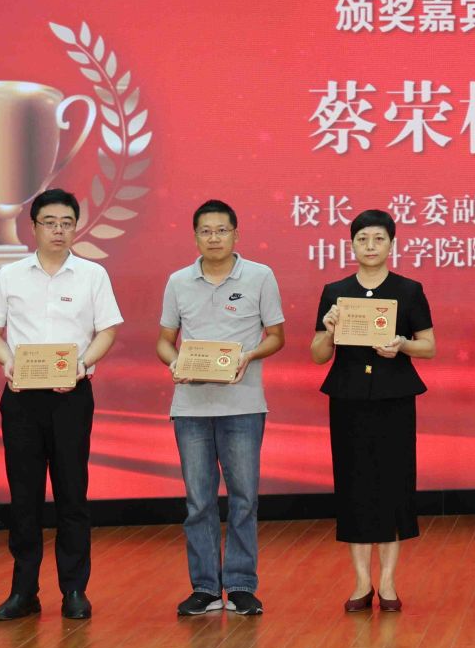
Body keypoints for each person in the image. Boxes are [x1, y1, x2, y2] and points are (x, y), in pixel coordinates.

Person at [0, 187, 122, 622]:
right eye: (50, 223)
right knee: (24, 497)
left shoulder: (93, 275)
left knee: (72, 494)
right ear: (34, 226)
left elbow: (107, 330)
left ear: (76, 227)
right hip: (21, 399)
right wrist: (7, 362)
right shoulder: (10, 276)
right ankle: (24, 591)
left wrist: (82, 364)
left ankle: (74, 589)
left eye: (67, 223)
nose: (58, 230)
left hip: (71, 397)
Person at [156, 200, 285, 618]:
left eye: (222, 230)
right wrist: (174, 363)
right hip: (191, 407)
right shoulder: (178, 281)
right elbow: (165, 341)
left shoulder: (260, 276)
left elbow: (276, 336)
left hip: (243, 405)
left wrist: (248, 356)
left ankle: (242, 585)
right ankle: (206, 588)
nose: (214, 238)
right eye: (206, 231)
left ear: (236, 234)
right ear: (195, 236)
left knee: (244, 499)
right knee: (199, 502)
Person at [312, 209, 436, 613]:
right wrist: (330, 330)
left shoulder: (409, 290)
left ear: (392, 244)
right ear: (351, 244)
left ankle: (387, 582)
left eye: (378, 239)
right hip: (348, 398)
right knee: (354, 486)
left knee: (393, 486)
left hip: (394, 397)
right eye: (362, 239)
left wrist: (401, 345)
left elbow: (429, 346)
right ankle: (361, 581)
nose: (370, 246)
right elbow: (318, 354)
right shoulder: (335, 292)